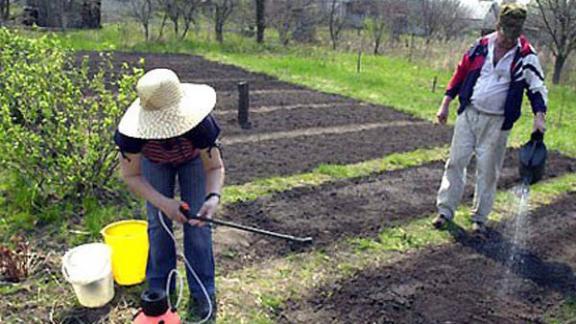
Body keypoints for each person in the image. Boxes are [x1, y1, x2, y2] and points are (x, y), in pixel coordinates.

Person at [114, 68, 224, 319]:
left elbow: (215, 167)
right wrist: (164, 203)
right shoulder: (130, 135)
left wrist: (212, 197)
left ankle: (203, 291)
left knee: (198, 224)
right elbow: (131, 175)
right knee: (157, 222)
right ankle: (159, 290)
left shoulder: (201, 125)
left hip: (193, 161)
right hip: (154, 163)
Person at [432, 4, 547, 235]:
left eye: (513, 35)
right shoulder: (481, 46)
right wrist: (445, 103)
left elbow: (536, 87)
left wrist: (539, 117)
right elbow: (460, 72)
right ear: (498, 27)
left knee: (488, 171)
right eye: (505, 33)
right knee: (455, 162)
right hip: (470, 113)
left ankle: (480, 218)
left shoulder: (526, 55)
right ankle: (445, 211)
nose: (508, 40)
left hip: (497, 123)